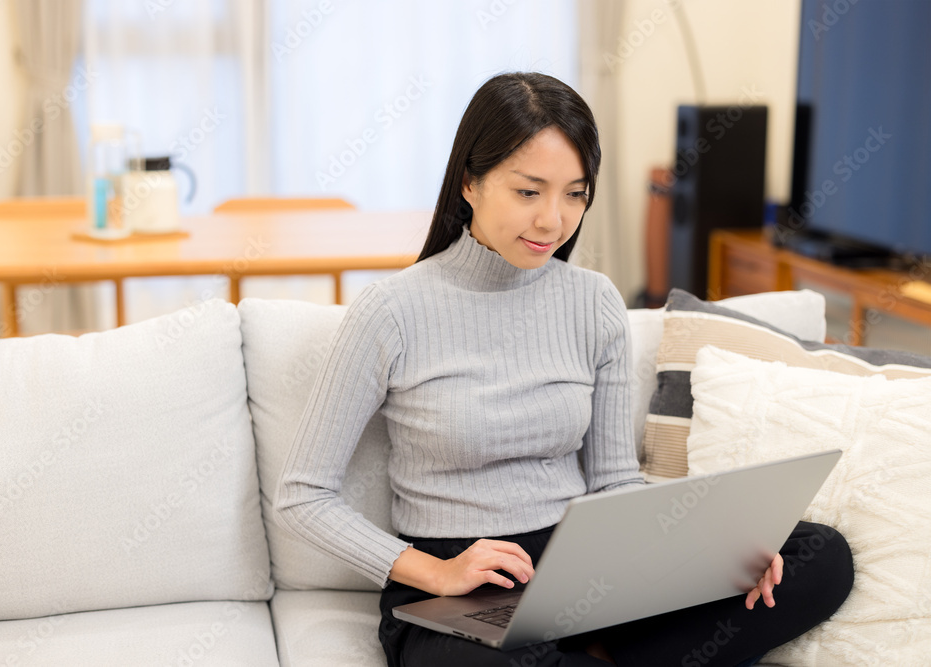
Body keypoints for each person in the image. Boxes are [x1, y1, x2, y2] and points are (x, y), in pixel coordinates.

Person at [275, 72, 854, 666]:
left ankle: (595, 646)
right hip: (459, 589)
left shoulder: (594, 301)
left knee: (818, 555)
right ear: (470, 182)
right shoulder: (392, 312)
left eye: (575, 194)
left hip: (589, 575)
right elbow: (302, 498)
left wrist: (712, 554)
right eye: (529, 192)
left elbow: (614, 481)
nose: (554, 221)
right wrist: (438, 572)